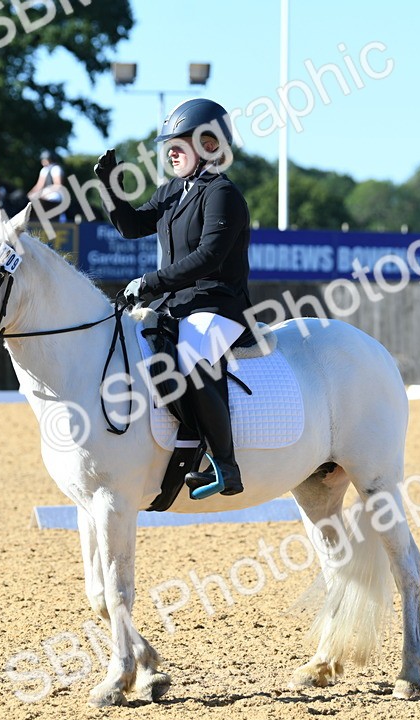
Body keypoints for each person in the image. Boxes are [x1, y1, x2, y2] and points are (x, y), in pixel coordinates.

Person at [95, 98, 253, 497]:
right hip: (176, 305)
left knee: (193, 358)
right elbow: (131, 226)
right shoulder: (171, 191)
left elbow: (209, 256)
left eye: (180, 143)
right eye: (170, 145)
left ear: (210, 145)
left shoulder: (222, 193)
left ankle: (225, 464)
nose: (171, 151)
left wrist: (151, 282)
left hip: (217, 305)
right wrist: (110, 187)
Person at [28, 150, 66, 220]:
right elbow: (39, 185)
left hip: (55, 194)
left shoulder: (56, 169)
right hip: (45, 192)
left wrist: (44, 194)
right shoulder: (44, 170)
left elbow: (58, 185)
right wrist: (30, 194)